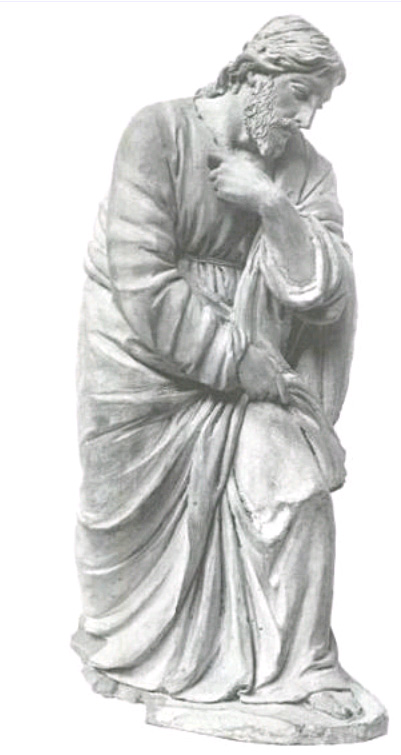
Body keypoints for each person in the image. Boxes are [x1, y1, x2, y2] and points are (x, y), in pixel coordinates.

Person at [72, 16, 362, 721]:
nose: (306, 117)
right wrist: (232, 357)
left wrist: (270, 203)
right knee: (128, 543)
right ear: (255, 76)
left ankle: (299, 668)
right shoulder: (159, 133)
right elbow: (139, 276)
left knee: (294, 485)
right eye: (298, 95)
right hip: (146, 373)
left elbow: (328, 288)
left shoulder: (305, 172)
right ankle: (144, 653)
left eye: (319, 103)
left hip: (256, 374)